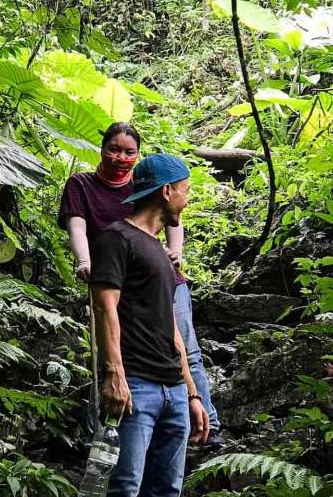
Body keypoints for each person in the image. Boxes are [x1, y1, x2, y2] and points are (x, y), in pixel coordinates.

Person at [85, 153, 208, 497]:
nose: (187, 197)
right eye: (185, 188)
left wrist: (193, 392)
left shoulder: (162, 251)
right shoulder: (116, 238)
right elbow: (105, 306)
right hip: (134, 385)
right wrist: (113, 374)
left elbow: (175, 328)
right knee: (120, 493)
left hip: (173, 389)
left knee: (164, 494)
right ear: (165, 191)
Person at [58, 122, 223, 448]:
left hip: (161, 279)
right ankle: (115, 428)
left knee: (185, 350)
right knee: (116, 354)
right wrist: (84, 261)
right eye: (114, 149)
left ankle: (205, 424)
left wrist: (175, 254)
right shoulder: (83, 185)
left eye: (129, 151)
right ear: (102, 148)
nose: (121, 157)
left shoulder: (146, 184)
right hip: (114, 280)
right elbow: (77, 225)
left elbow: (171, 217)